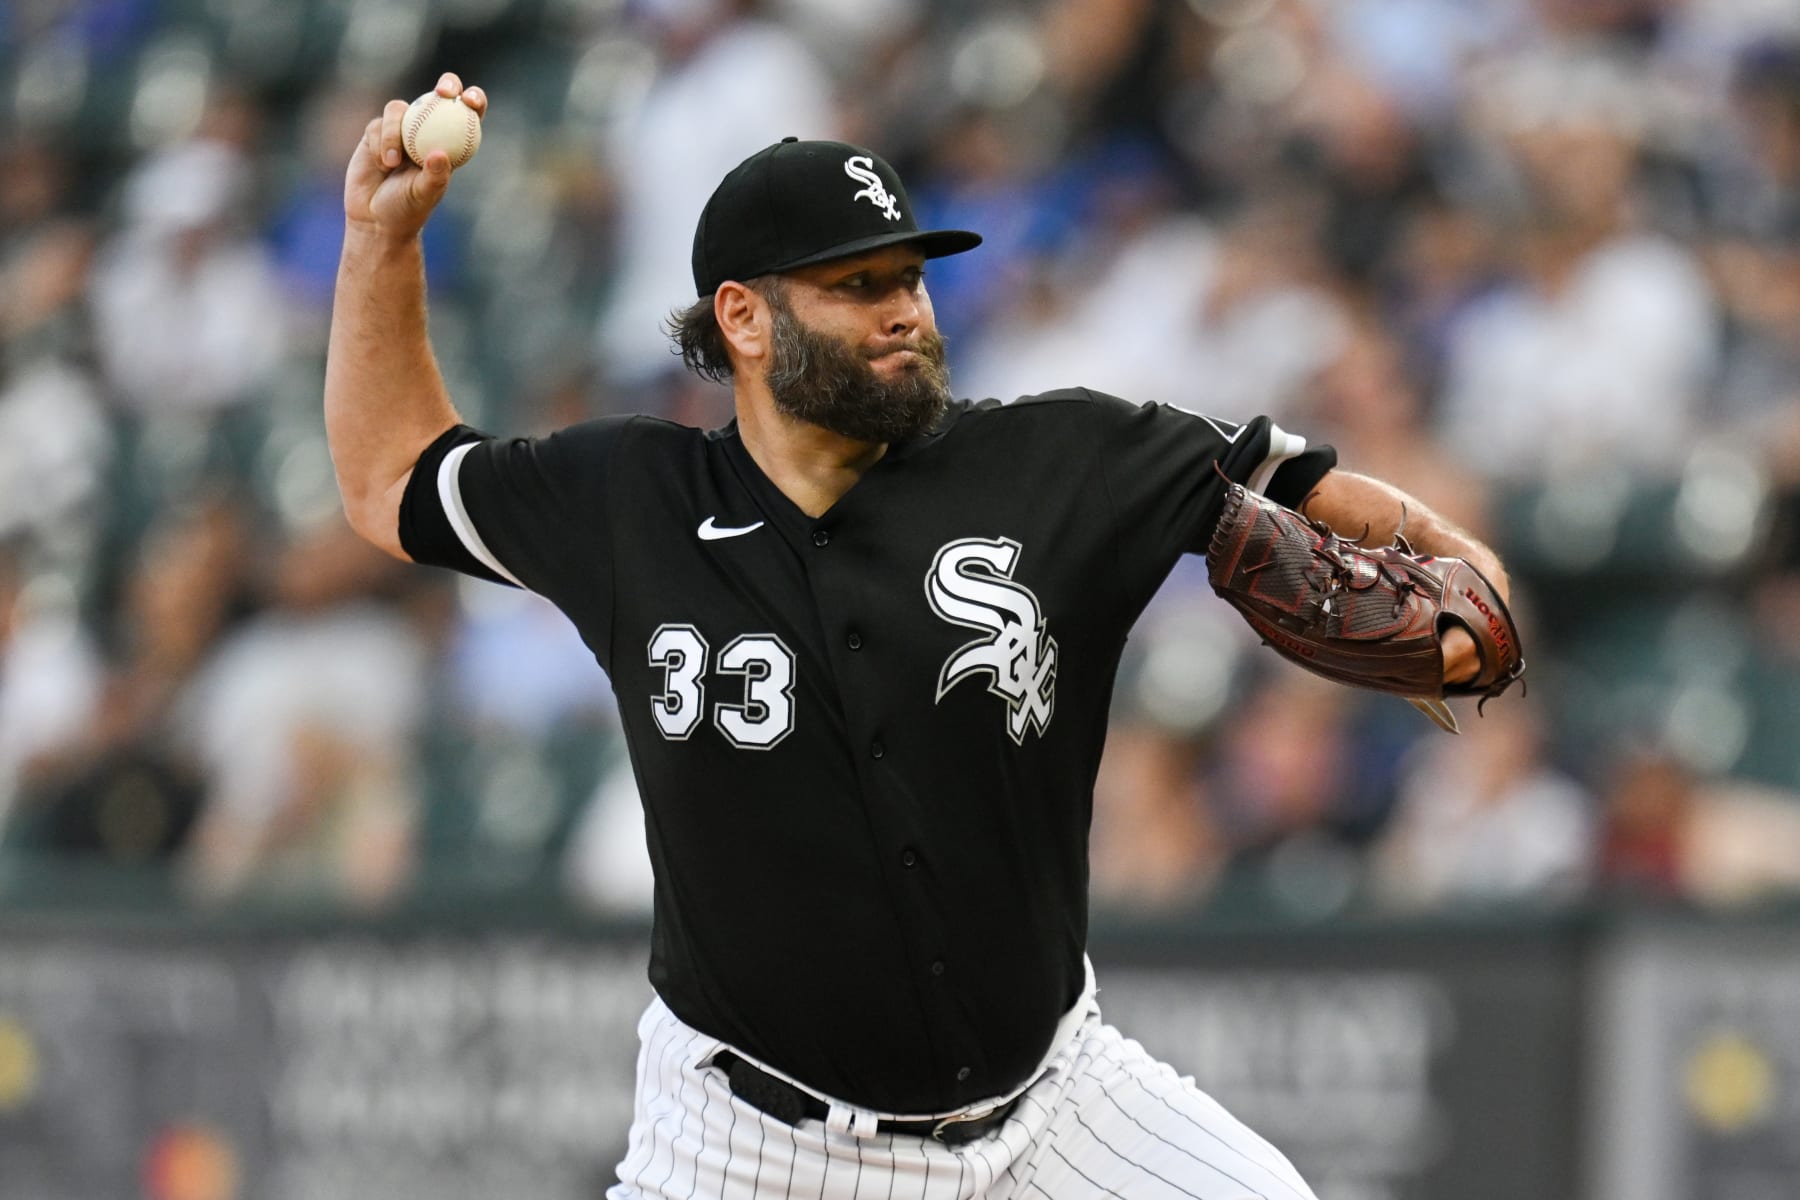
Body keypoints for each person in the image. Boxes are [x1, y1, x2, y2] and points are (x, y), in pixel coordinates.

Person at [326, 73, 1509, 1200]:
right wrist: (384, 244)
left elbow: (1357, 514)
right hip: (753, 1147)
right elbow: (390, 480)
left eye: (912, 277)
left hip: (1057, 1105)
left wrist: (1472, 583)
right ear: (743, 317)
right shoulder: (628, 498)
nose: (903, 310)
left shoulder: (1066, 460)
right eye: (856, 285)